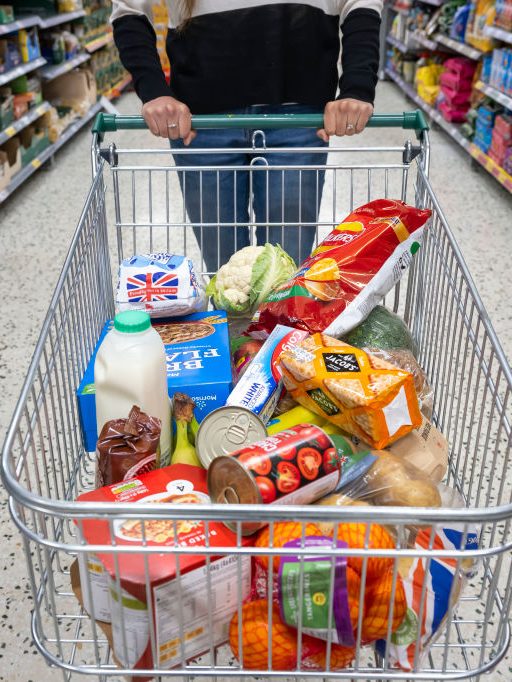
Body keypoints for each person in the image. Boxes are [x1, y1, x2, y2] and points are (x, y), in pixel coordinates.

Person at [111, 0, 382, 271]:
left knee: (286, 272)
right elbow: (129, 9)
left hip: (299, 115)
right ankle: (237, 315)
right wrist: (153, 90)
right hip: (203, 121)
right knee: (226, 275)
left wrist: (357, 85)